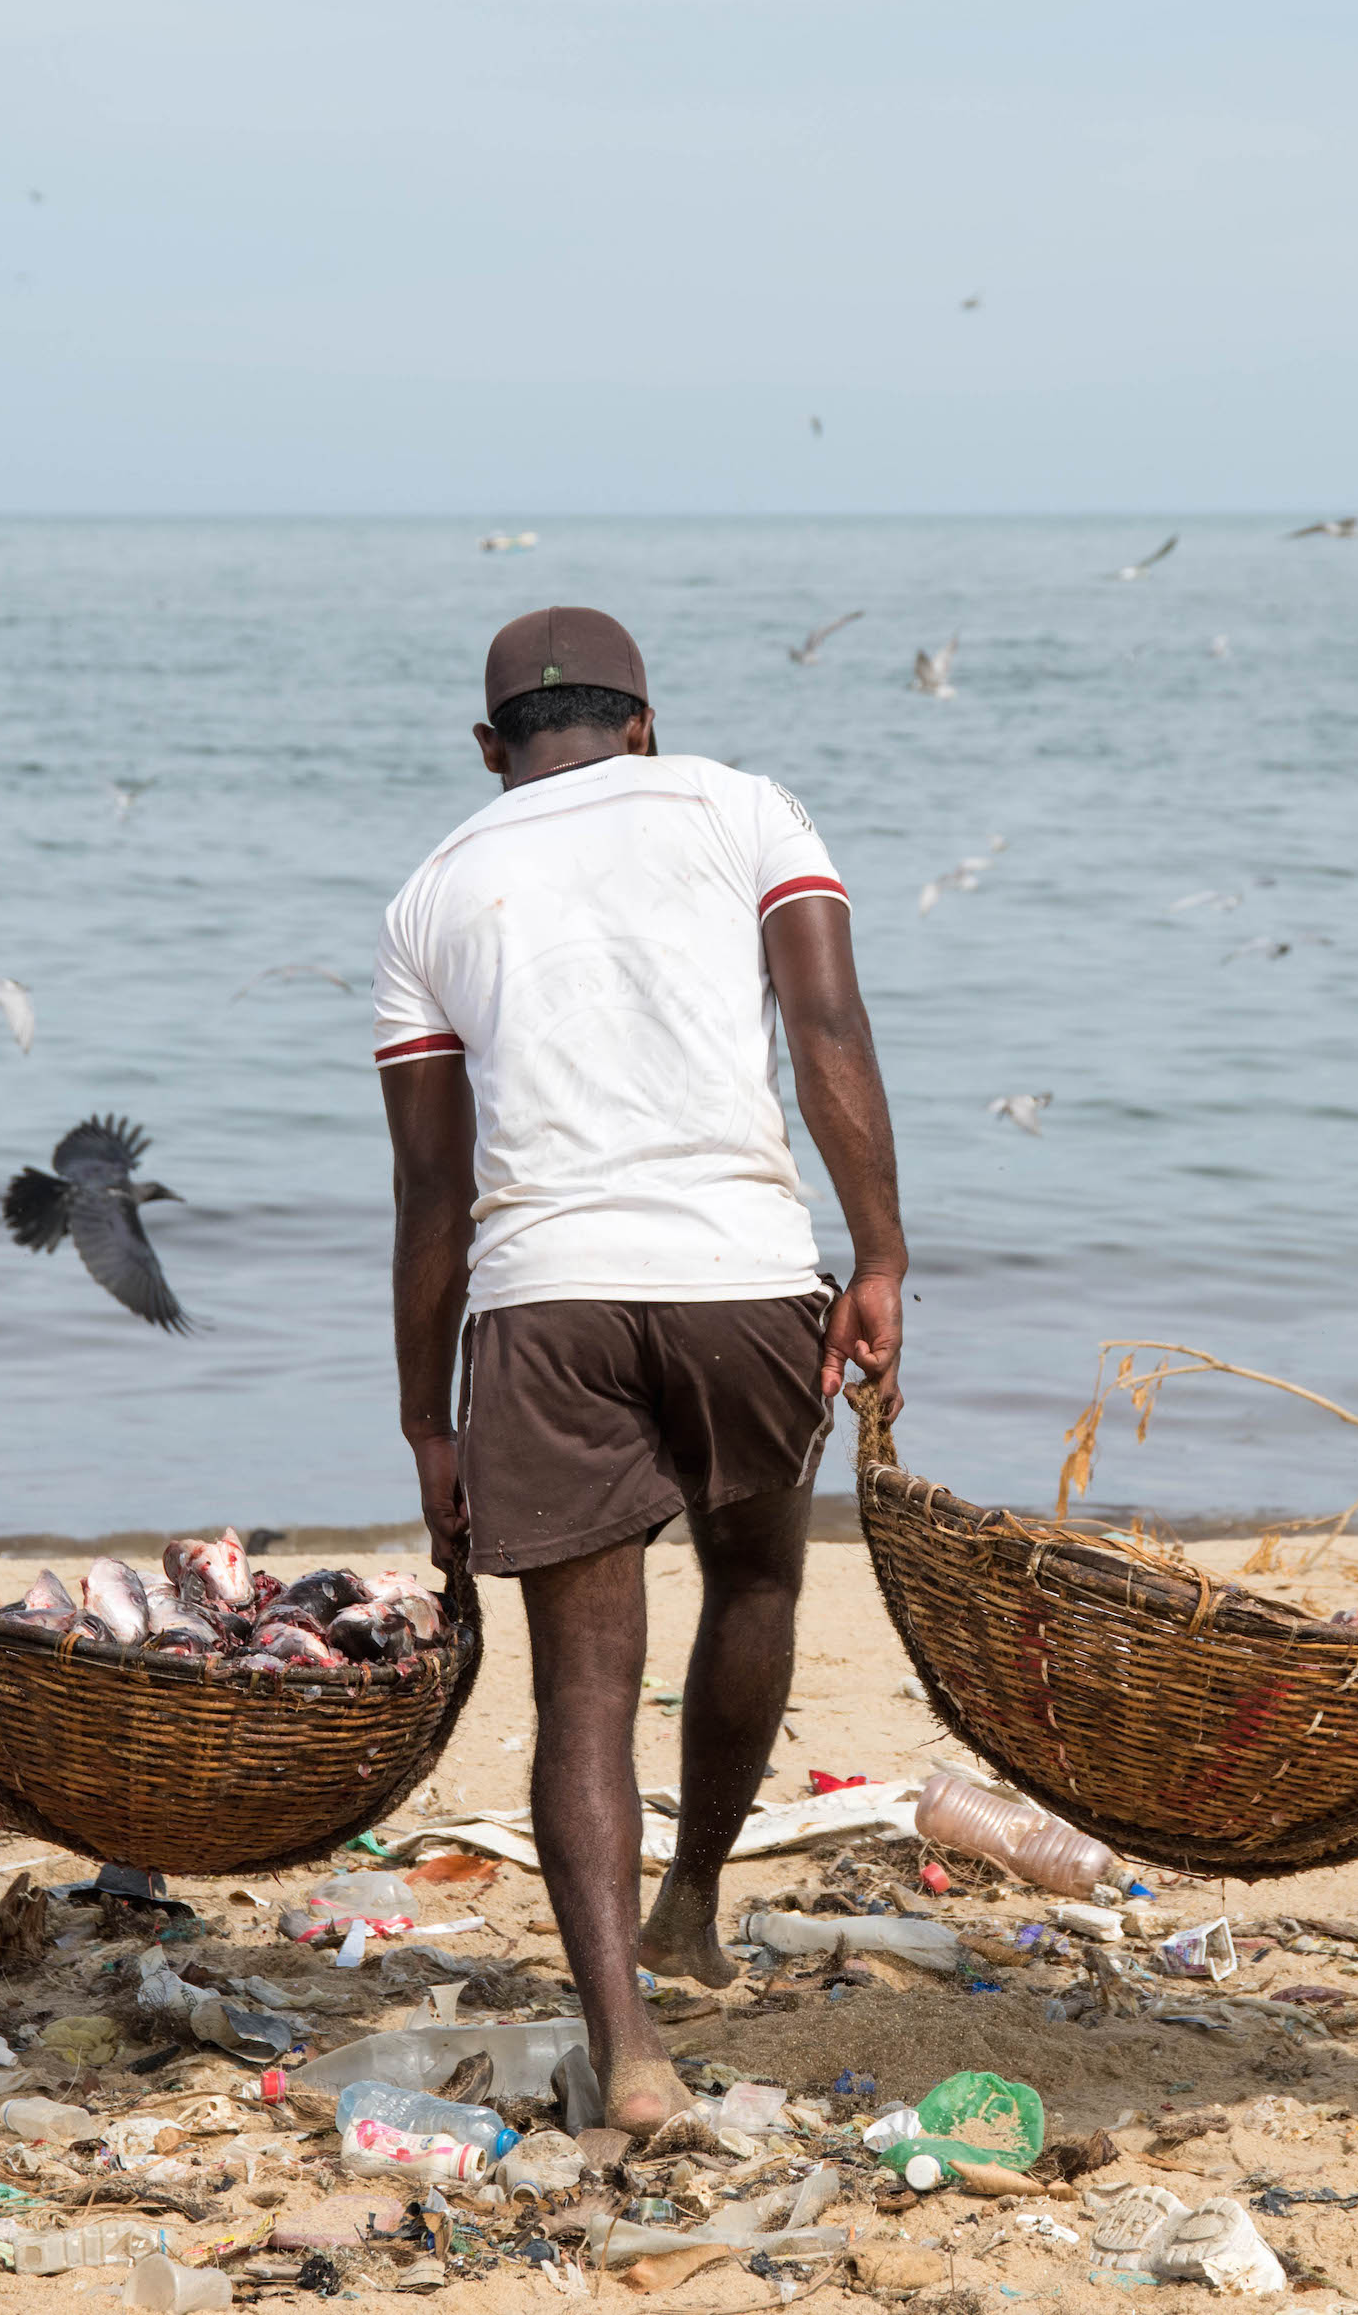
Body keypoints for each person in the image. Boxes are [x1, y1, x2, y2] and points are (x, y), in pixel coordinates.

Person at [376, 607, 906, 2138]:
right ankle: (689, 1902)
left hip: (544, 1310)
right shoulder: (746, 806)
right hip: (742, 1275)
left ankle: (632, 2049)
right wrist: (875, 1256)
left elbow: (430, 1194)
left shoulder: (430, 893)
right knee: (757, 1583)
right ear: (646, 721)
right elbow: (828, 1027)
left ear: (492, 751)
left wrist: (428, 1419)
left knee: (585, 1690)